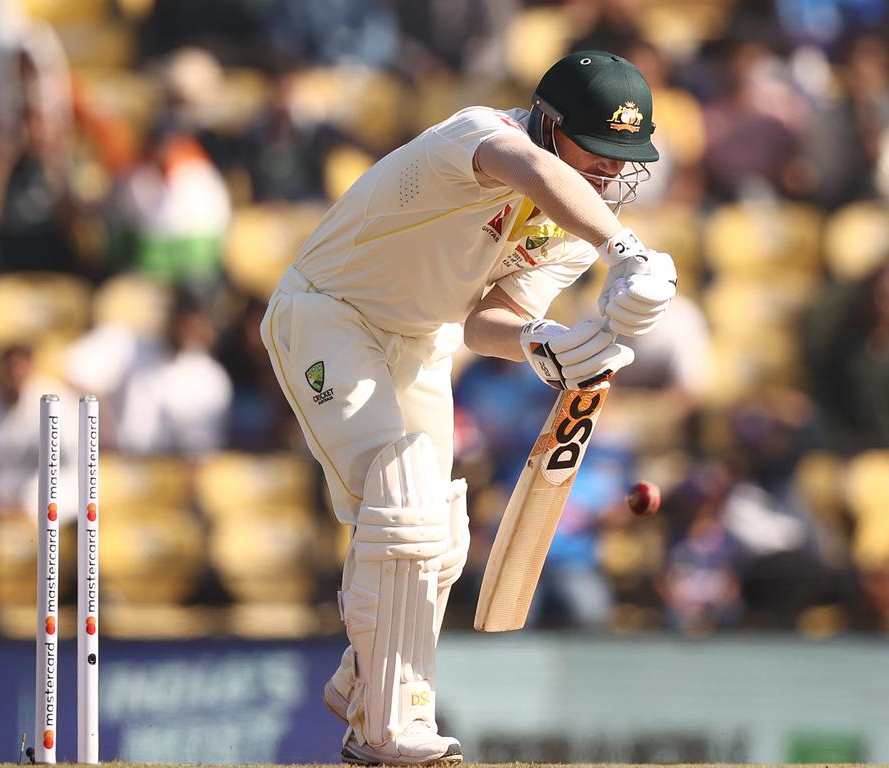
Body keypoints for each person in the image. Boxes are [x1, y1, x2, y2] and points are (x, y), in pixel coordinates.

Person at [261, 50, 677, 765]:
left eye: (623, 156)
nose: (611, 171)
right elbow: (534, 174)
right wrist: (625, 248)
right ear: (548, 124)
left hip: (421, 343)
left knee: (438, 532)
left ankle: (373, 684)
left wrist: (547, 344)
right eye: (598, 150)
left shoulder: (577, 227)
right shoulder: (480, 134)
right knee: (401, 498)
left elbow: (490, 319)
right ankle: (386, 730)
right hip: (328, 315)